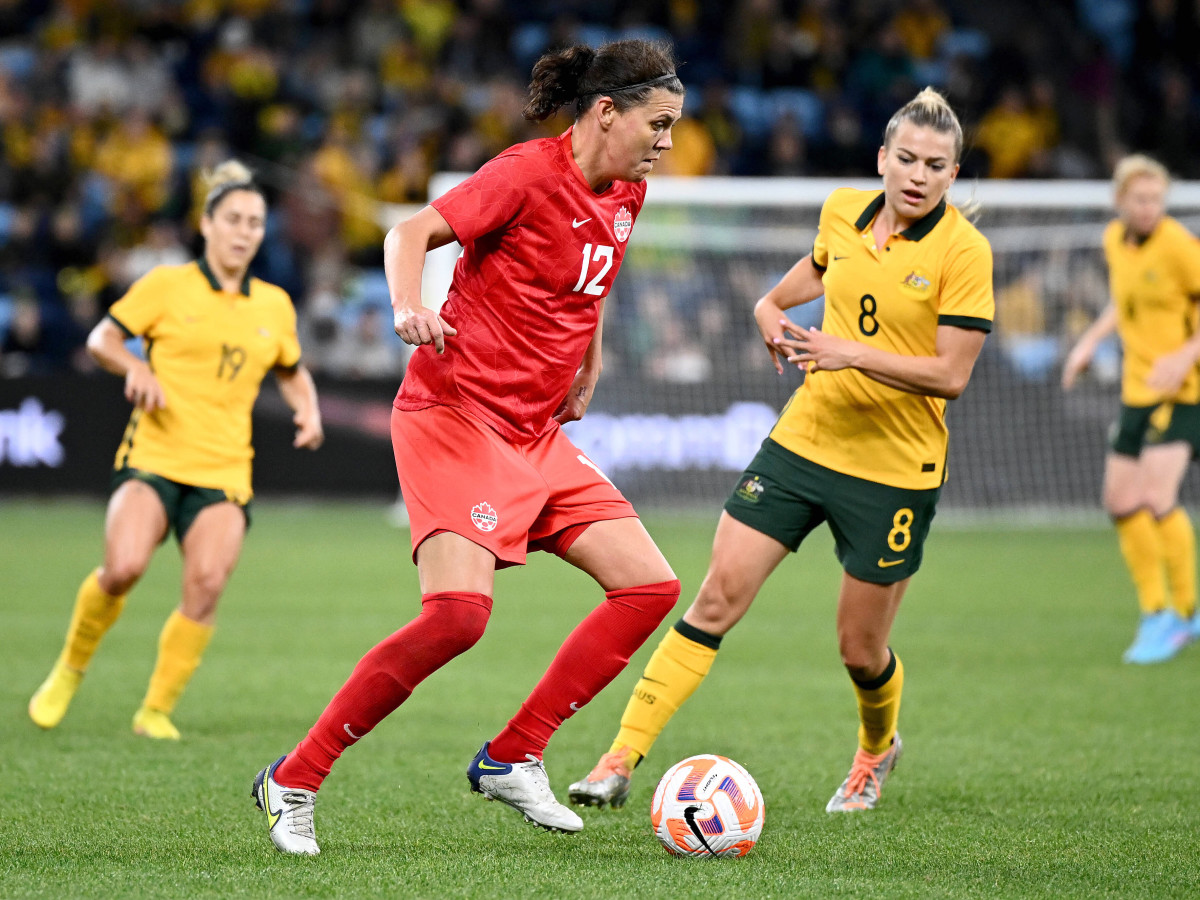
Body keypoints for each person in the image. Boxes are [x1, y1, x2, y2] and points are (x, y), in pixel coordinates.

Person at [252, 40, 684, 856]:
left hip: (535, 430)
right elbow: (408, 233)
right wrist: (408, 306)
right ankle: (294, 778)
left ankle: (514, 754)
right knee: (457, 617)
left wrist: (588, 364)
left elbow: (595, 282)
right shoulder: (525, 173)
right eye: (657, 124)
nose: (667, 141)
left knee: (649, 587)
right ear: (605, 113)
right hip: (457, 413)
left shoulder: (629, 192)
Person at [569, 87, 994, 815]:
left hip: (894, 470)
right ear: (883, 159)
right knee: (715, 597)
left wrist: (846, 352)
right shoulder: (842, 212)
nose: (919, 175)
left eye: (937, 165)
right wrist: (769, 308)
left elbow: (951, 375)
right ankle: (619, 757)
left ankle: (874, 750)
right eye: (909, 160)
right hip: (803, 442)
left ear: (953, 175)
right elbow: (812, 275)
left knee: (860, 651)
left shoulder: (963, 252)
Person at [28, 160, 324, 740]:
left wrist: (307, 407)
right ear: (207, 224)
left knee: (207, 585)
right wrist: (134, 365)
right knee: (123, 568)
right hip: (155, 456)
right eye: (234, 219)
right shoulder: (167, 285)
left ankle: (155, 709)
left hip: (225, 468)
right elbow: (101, 338)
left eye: (256, 222)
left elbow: (290, 368)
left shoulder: (273, 305)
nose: (245, 231)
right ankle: (69, 669)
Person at [1062, 154, 1200, 664]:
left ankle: (1182, 614)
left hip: (1184, 390)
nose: (1149, 208)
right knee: (1120, 501)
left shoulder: (1182, 248)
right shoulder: (1114, 241)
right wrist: (1088, 343)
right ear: (1120, 202)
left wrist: (1186, 352)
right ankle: (1155, 611)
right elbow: (1124, 302)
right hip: (1137, 388)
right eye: (1140, 199)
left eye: (1157, 200)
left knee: (1157, 496)